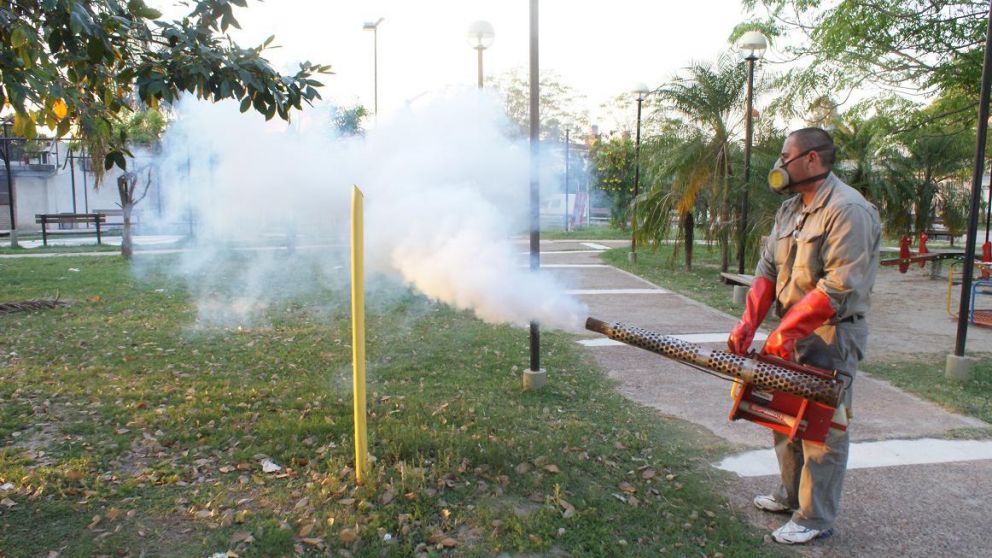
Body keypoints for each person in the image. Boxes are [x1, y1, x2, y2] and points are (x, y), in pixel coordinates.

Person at [727, 127, 881, 544]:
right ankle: (790, 495)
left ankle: (815, 517)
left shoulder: (848, 209)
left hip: (832, 334)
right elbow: (767, 270)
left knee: (823, 427)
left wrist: (786, 331)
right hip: (792, 331)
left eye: (786, 156)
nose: (779, 164)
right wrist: (749, 323)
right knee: (784, 413)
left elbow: (838, 287)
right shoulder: (791, 209)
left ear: (812, 159)